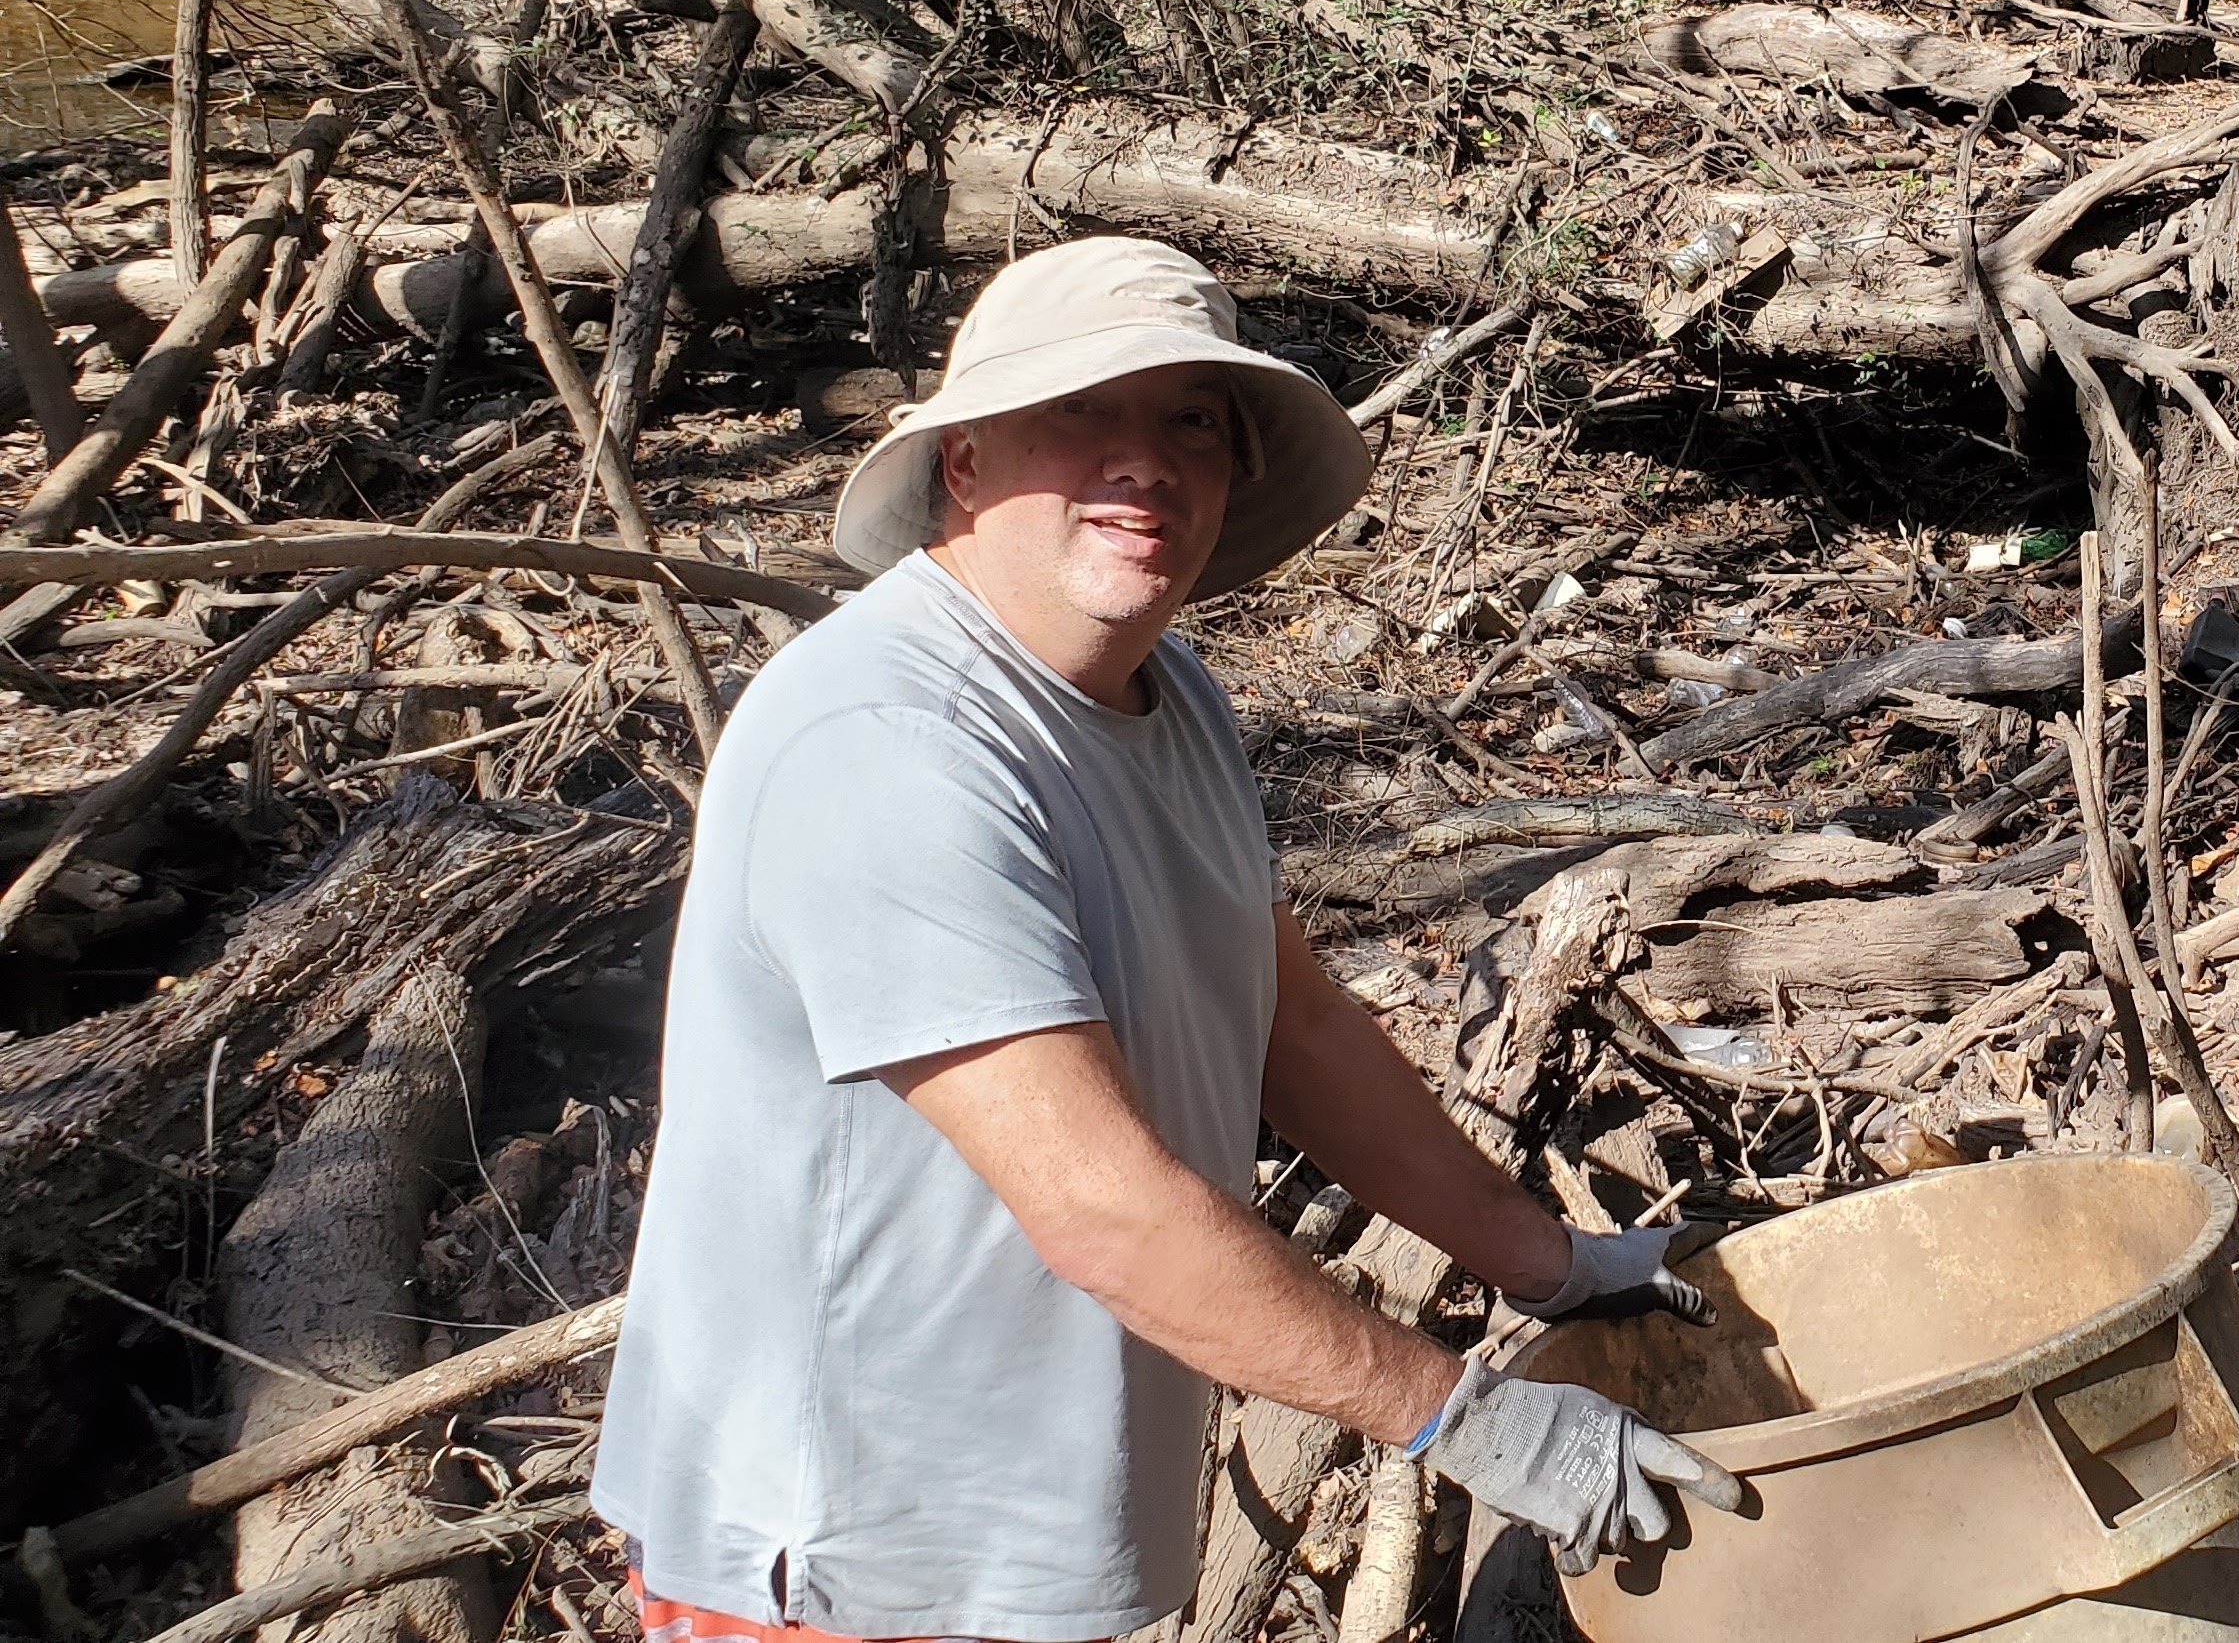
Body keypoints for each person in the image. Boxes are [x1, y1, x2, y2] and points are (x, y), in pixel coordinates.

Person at [594, 238, 1735, 1643]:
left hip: (1022, 1531)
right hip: (847, 1552)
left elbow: (1295, 1028)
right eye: (1083, 409)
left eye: (1191, 419)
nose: (1145, 461)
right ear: (961, 465)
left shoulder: (1167, 694)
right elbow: (1100, 1204)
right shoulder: (889, 743)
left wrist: (1546, 1262)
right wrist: (1466, 1420)